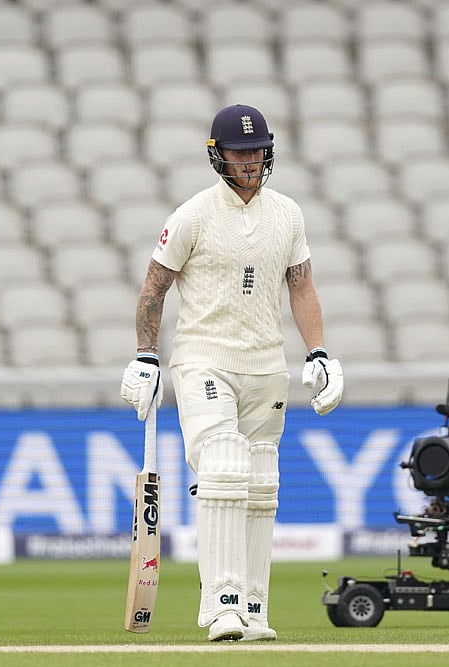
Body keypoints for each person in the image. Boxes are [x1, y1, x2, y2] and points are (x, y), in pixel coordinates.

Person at [120, 104, 344, 642]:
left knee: (261, 484)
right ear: (217, 156)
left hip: (267, 365)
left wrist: (318, 352)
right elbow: (154, 287)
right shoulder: (194, 214)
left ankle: (254, 607)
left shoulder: (288, 214)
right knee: (222, 471)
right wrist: (145, 354)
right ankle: (220, 605)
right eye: (241, 152)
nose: (251, 160)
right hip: (204, 358)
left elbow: (301, 285)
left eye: (258, 150)